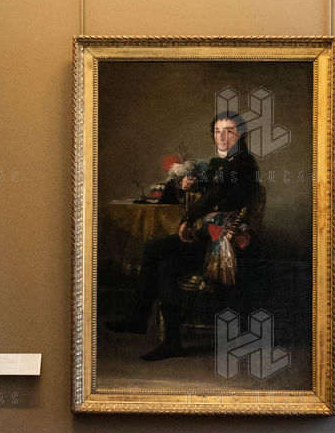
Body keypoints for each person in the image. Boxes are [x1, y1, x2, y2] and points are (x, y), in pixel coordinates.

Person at [106, 111, 262, 360]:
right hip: (209, 235)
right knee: (166, 265)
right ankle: (170, 341)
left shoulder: (243, 164)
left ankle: (139, 317)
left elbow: (216, 195)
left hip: (222, 244)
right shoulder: (224, 162)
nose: (221, 137)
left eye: (228, 131)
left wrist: (187, 219)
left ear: (241, 135)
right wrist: (190, 184)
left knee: (153, 248)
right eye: (217, 131)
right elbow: (211, 187)